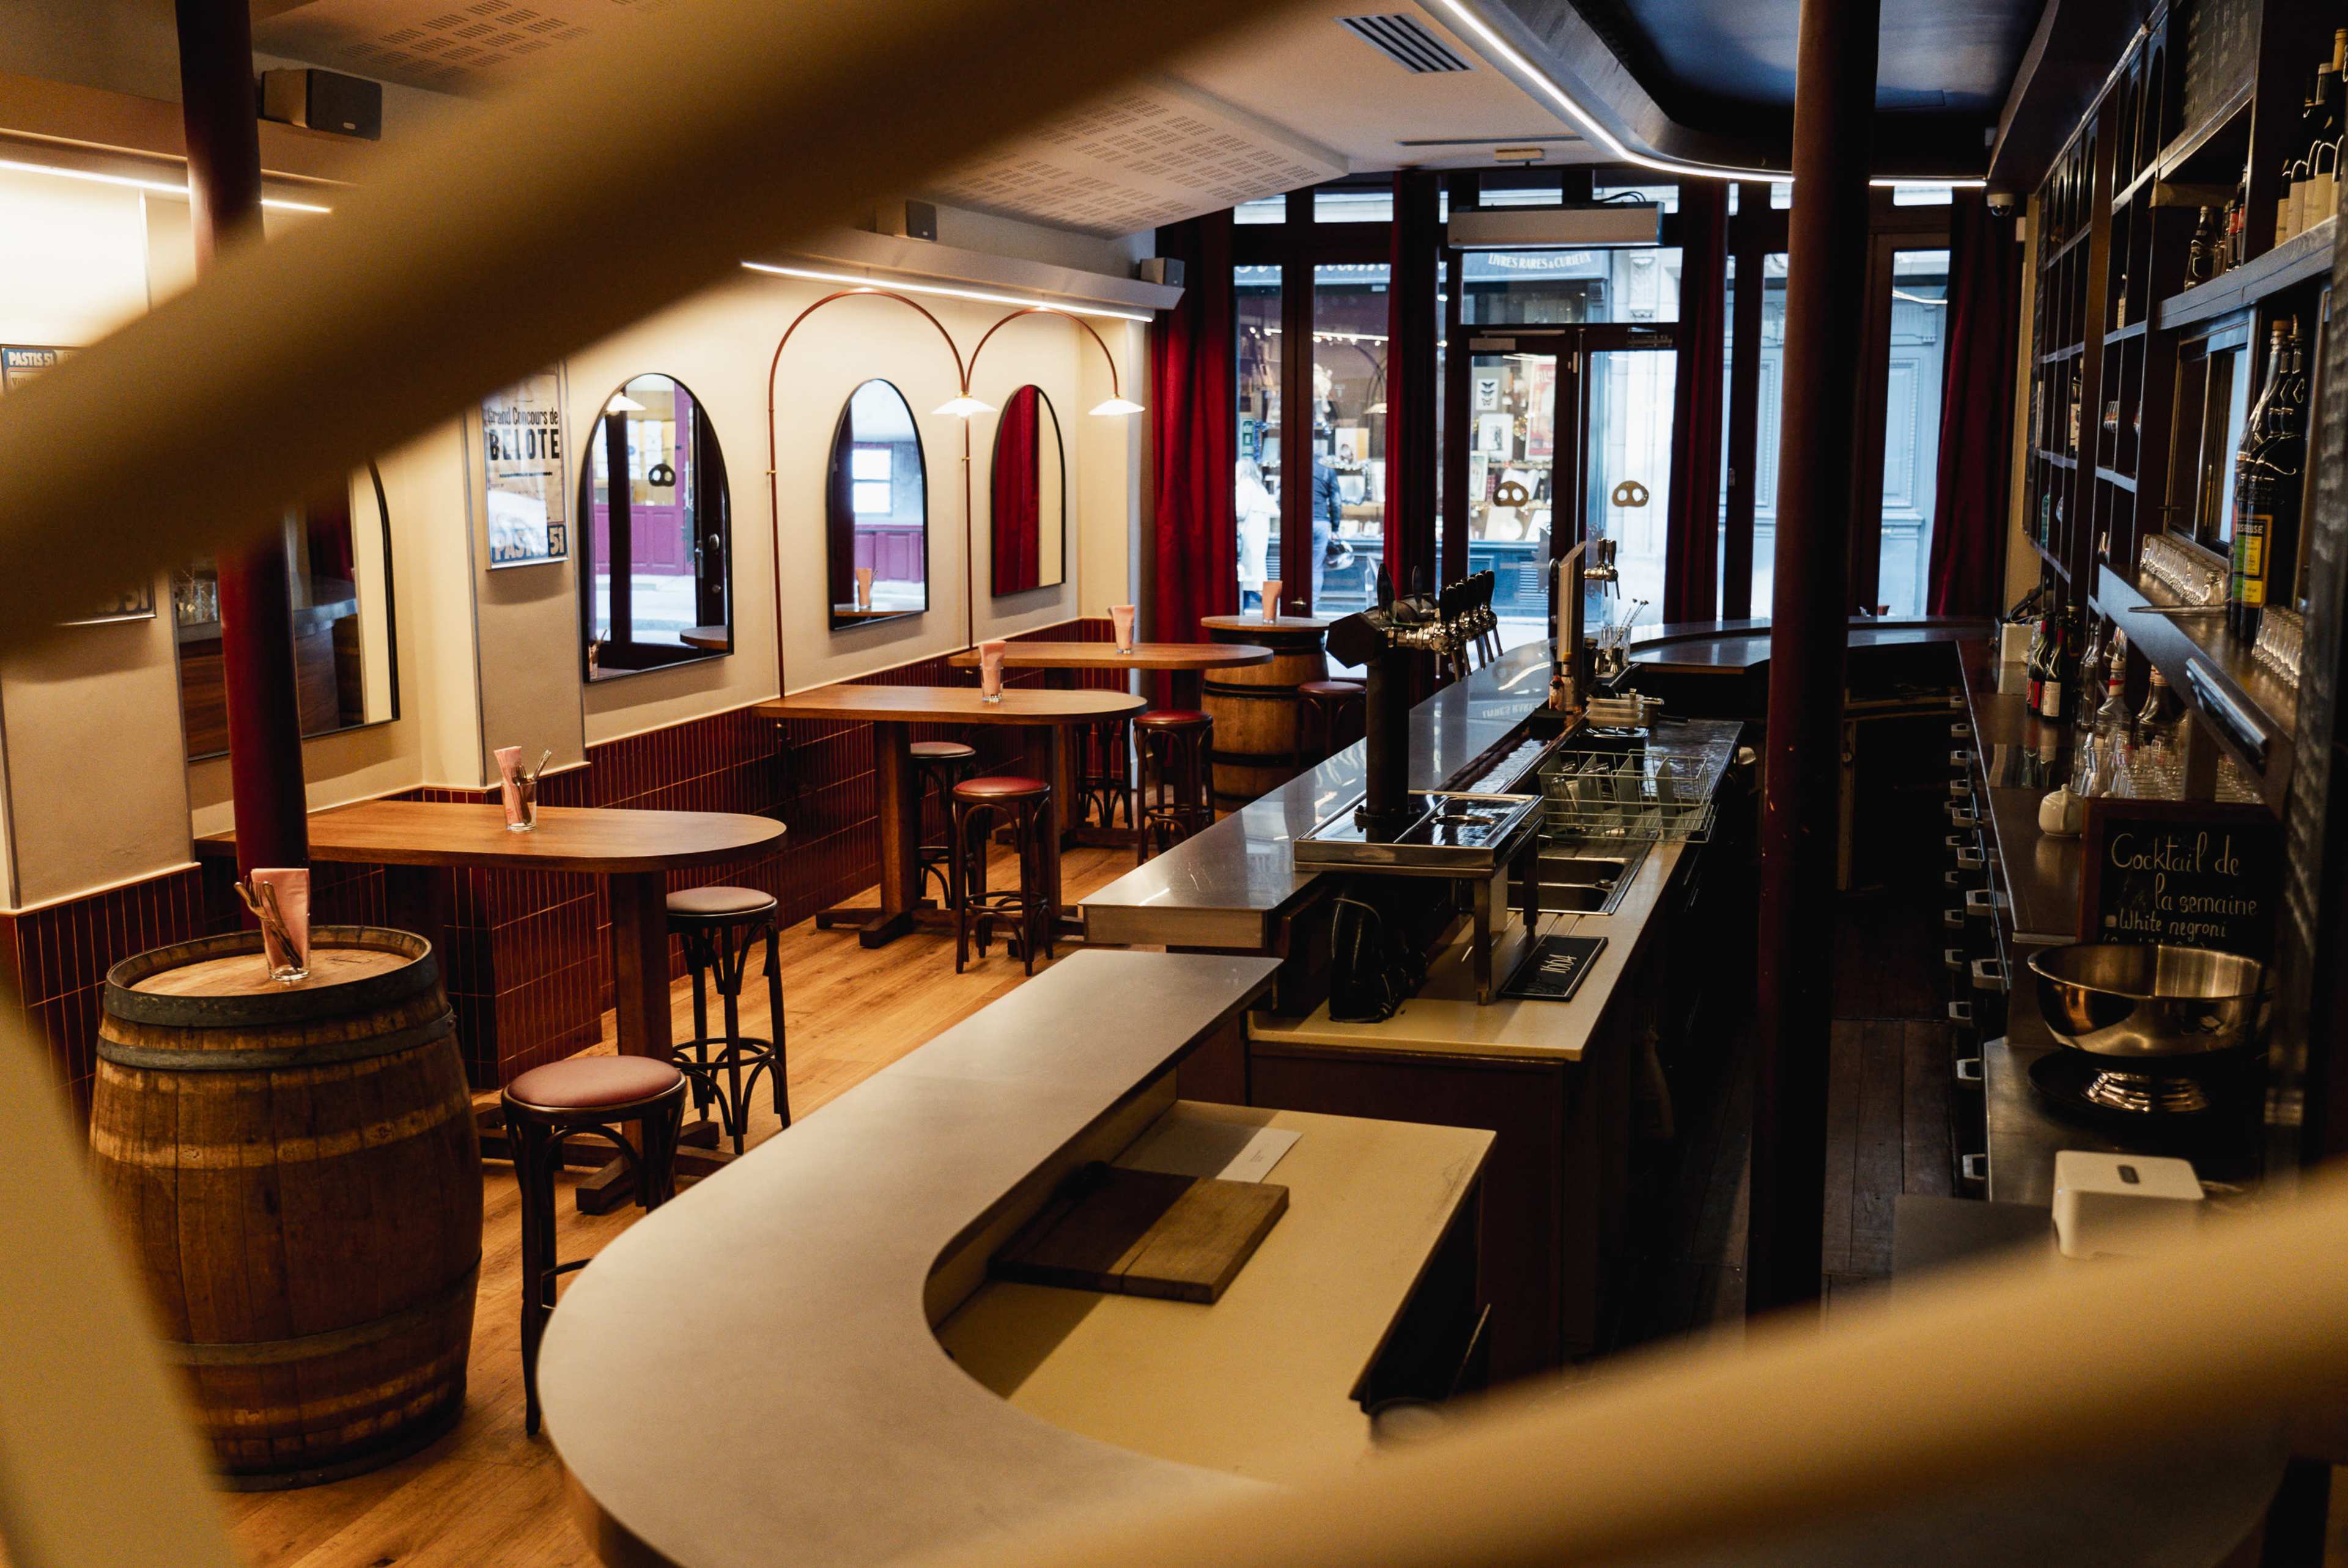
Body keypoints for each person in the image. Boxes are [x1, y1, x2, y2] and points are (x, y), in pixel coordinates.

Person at [1235, 457, 1276, 611]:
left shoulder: (1245, 486)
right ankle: (1268, 606)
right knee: (1255, 576)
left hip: (1248, 537)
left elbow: (1239, 511)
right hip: (1259, 536)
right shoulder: (1259, 487)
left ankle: (1269, 606)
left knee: (1247, 578)